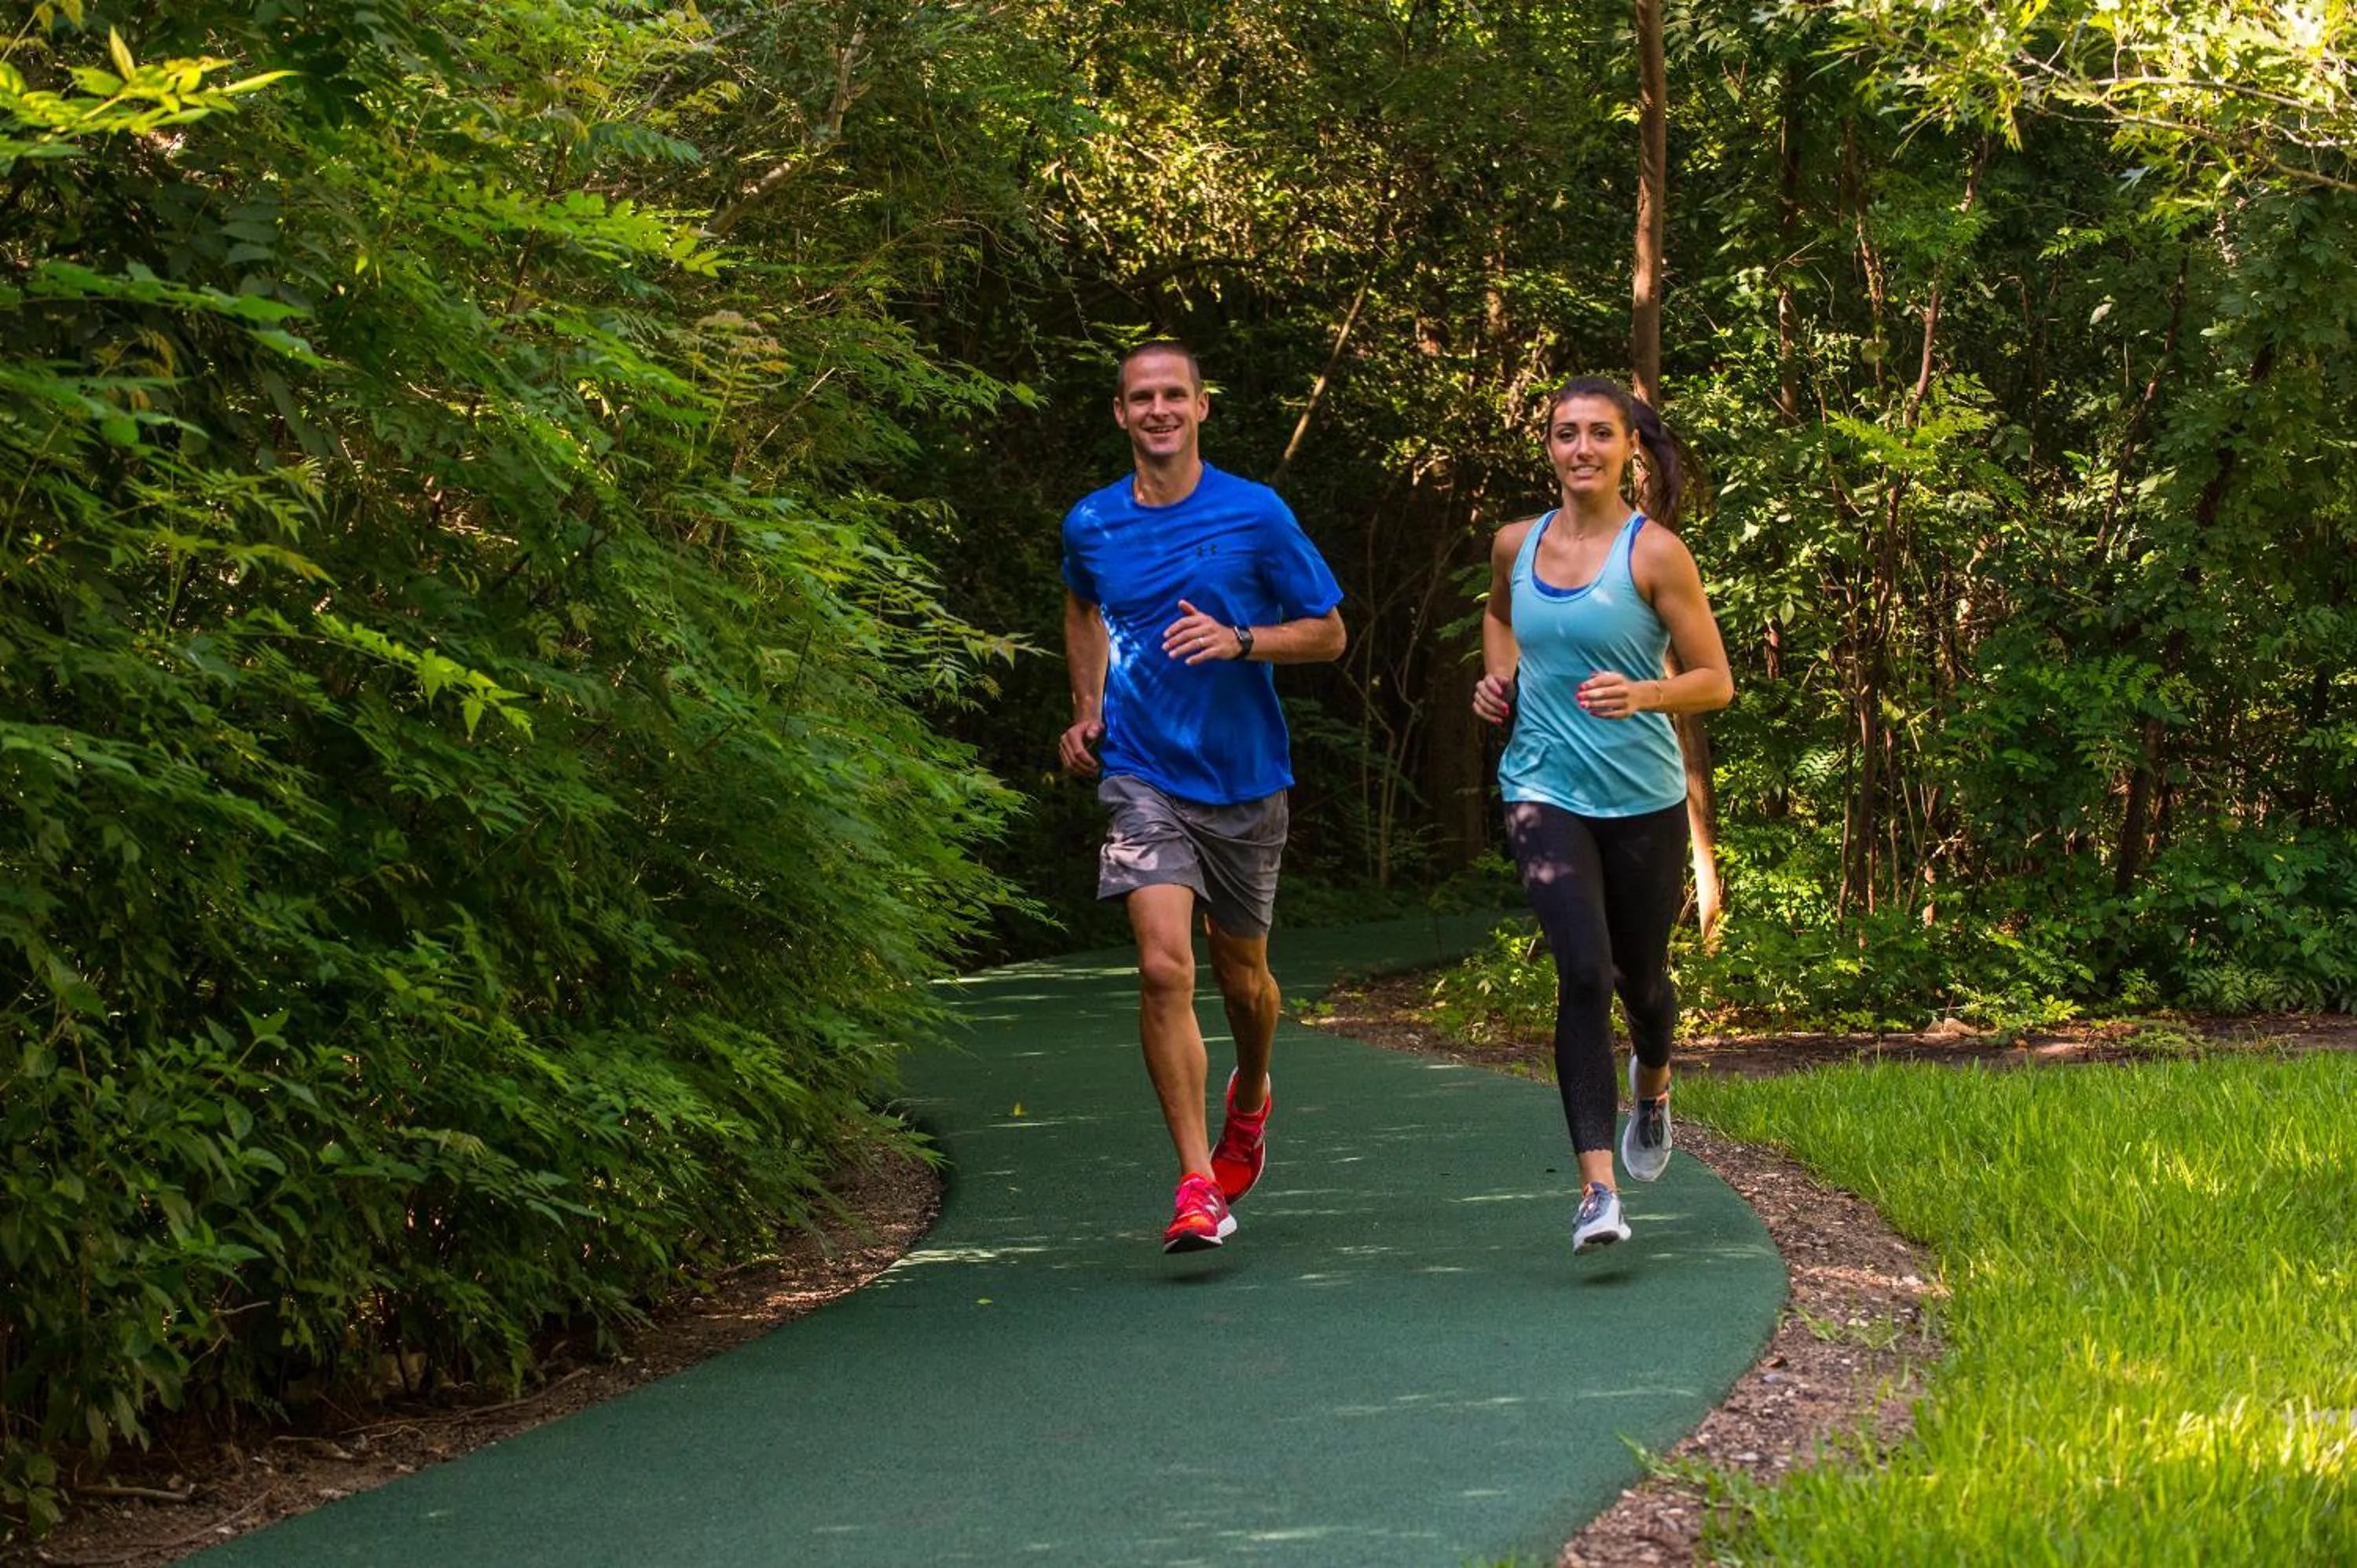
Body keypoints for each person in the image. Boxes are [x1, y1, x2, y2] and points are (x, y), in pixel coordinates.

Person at [1058, 340, 1347, 1253]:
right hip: (1141, 773)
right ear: (1120, 413)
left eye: (1173, 394)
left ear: (1200, 407)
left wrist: (1242, 640)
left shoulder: (1254, 513)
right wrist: (1088, 708)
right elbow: (1081, 608)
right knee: (1162, 967)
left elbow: (1330, 633)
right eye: (1142, 397)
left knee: (1243, 979)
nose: (1159, 410)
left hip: (1245, 778)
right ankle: (1195, 1182)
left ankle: (1251, 1094)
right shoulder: (1092, 523)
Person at [1471, 376, 1732, 1253]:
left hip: (1643, 798)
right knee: (1583, 971)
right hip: (1541, 788)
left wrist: (1645, 692)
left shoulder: (1655, 554)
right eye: (1564, 433)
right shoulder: (1517, 543)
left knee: (1641, 981)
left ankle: (1653, 1083)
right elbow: (1499, 618)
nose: (1580, 448)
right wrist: (1499, 679)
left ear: (1629, 448)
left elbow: (1716, 681)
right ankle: (1597, 1192)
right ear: (1548, 447)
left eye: (1598, 433)